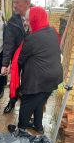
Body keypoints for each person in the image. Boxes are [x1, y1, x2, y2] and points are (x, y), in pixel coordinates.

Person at [8, 7, 63, 135]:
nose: (25, 23)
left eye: (27, 19)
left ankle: (20, 130)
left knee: (27, 103)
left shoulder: (32, 38)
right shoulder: (53, 32)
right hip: (53, 78)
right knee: (40, 101)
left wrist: (13, 67)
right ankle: (38, 126)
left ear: (35, 19)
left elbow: (21, 59)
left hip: (37, 80)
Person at [1, 0, 31, 113]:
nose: (14, 5)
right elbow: (8, 43)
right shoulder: (12, 21)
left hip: (31, 59)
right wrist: (5, 63)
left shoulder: (36, 16)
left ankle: (26, 105)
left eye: (17, 2)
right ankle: (12, 101)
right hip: (16, 58)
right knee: (14, 80)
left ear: (27, 3)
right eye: (14, 2)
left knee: (28, 82)